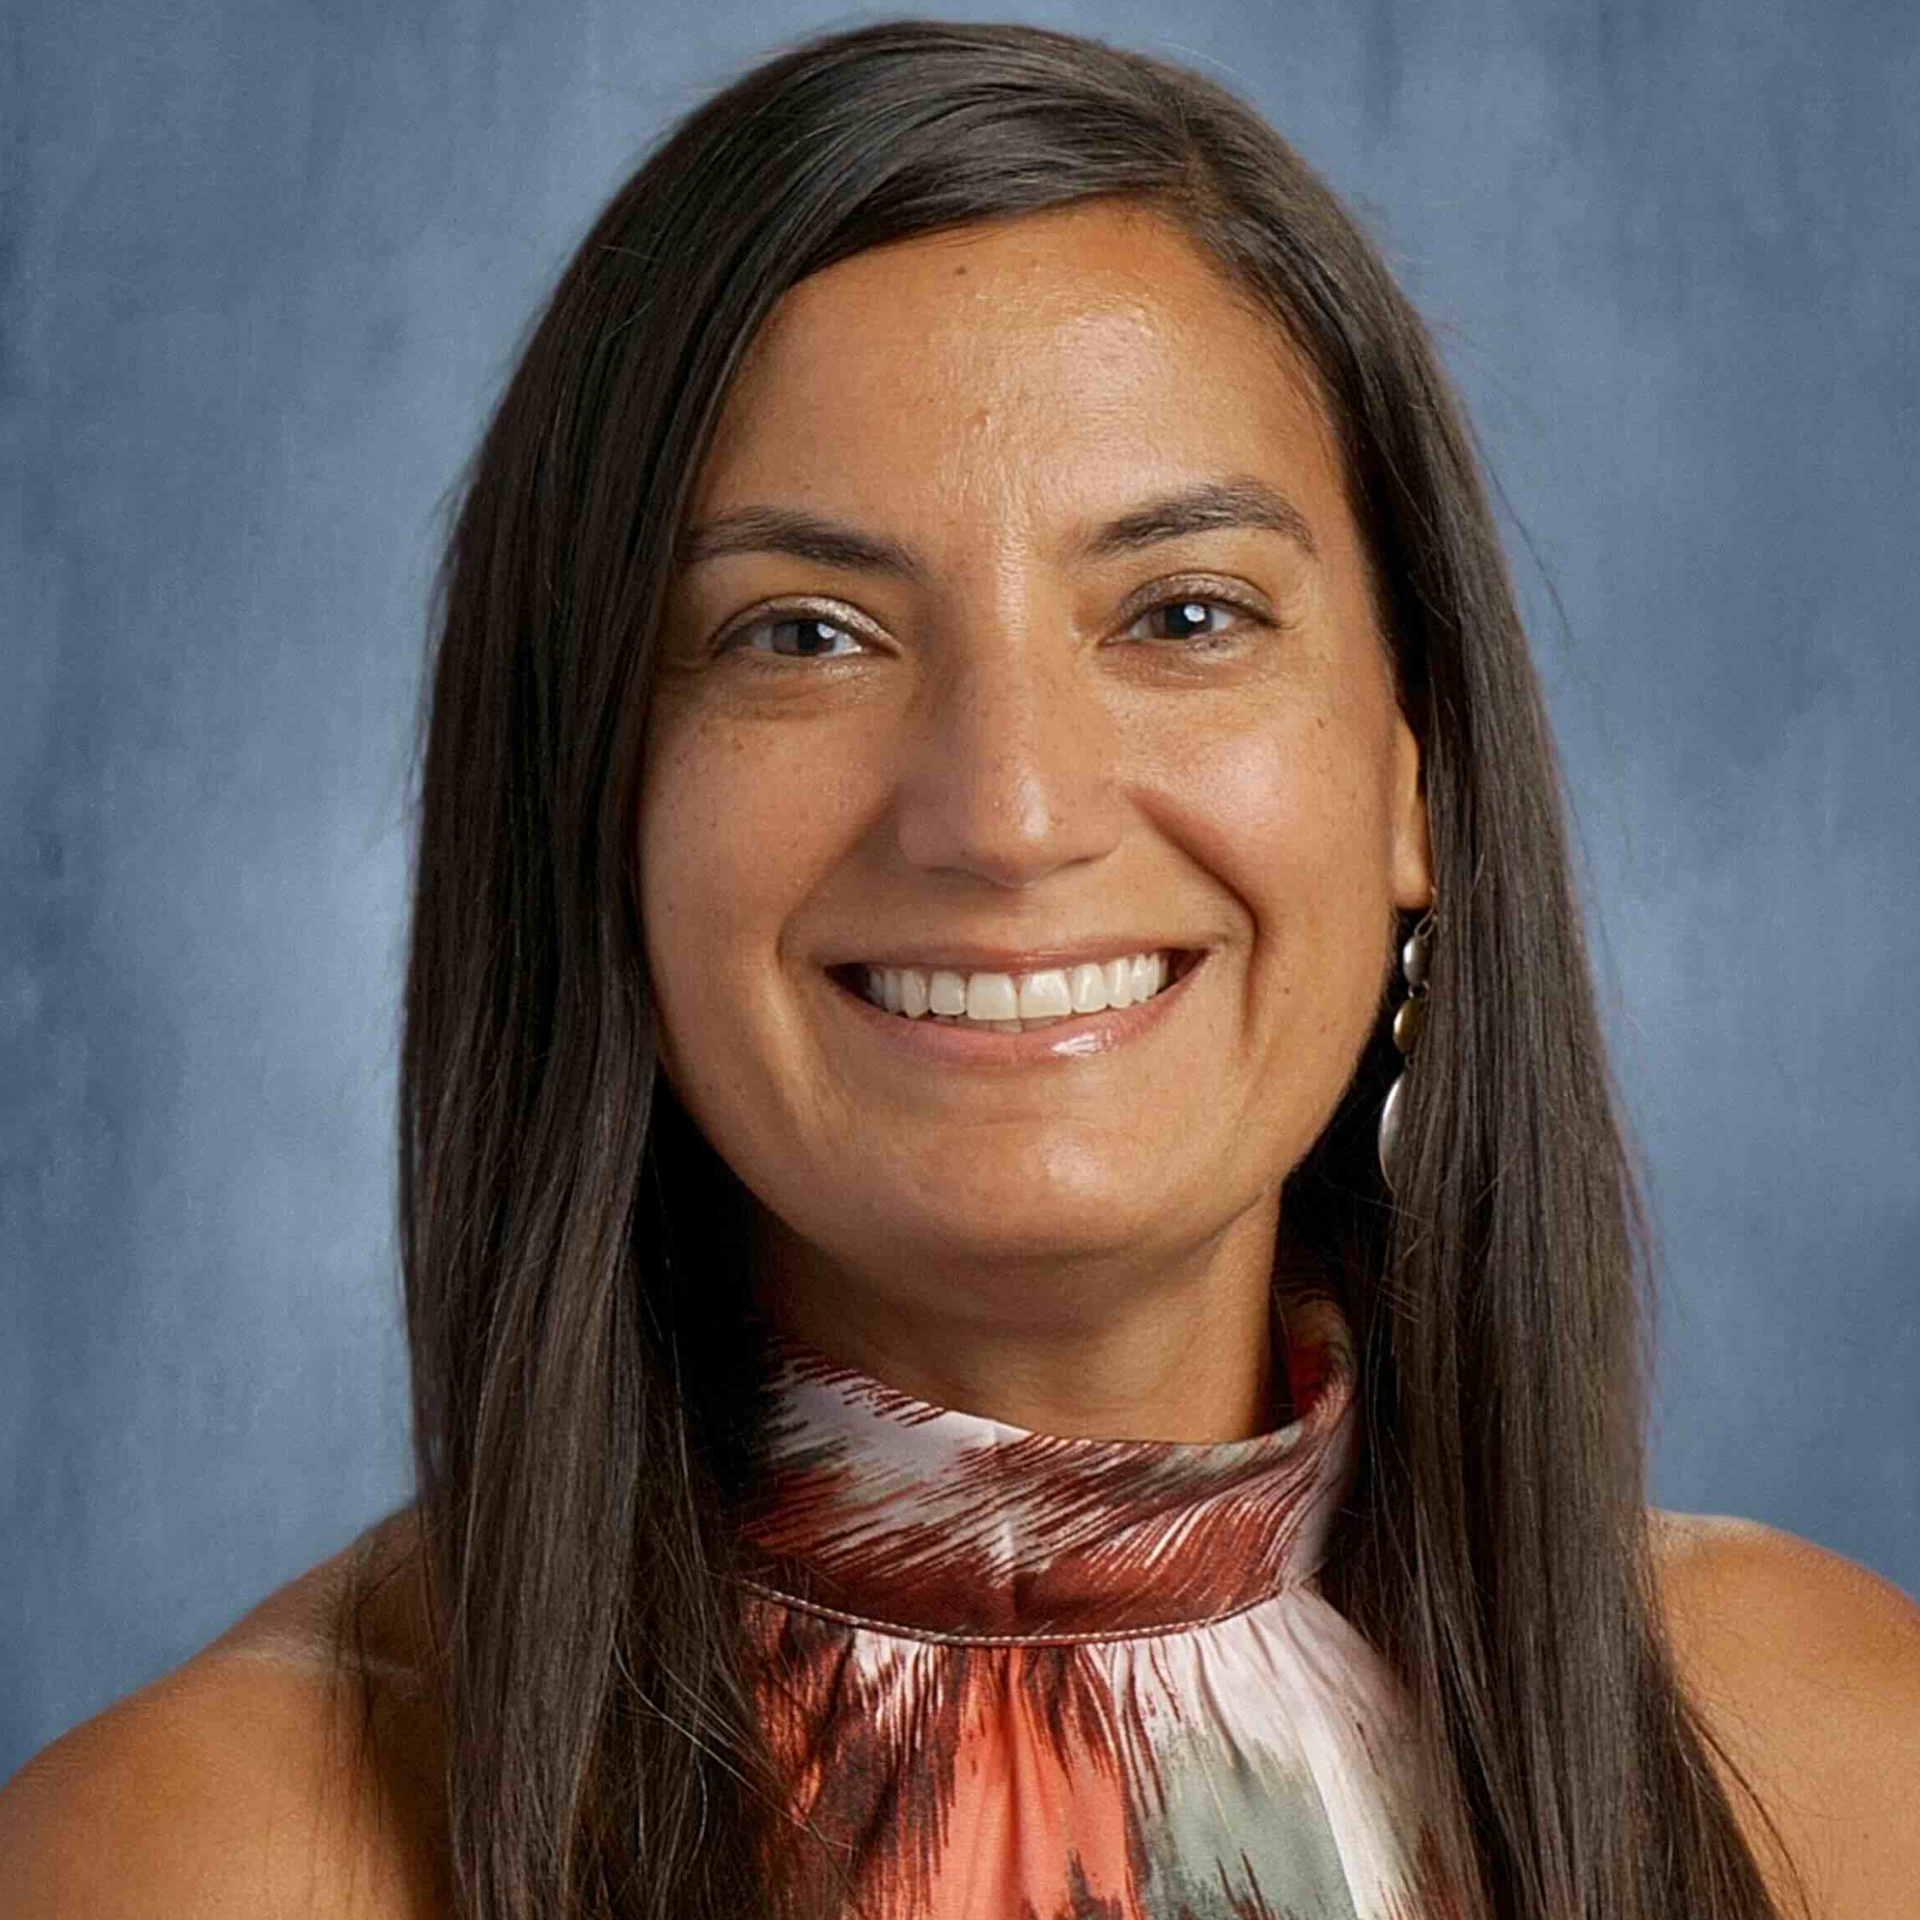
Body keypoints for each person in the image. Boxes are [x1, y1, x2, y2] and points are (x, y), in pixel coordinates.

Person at [4, 18, 1917, 1920]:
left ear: (1417, 777)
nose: (1005, 812)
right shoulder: (209, 1856)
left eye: (1183, 613)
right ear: (591, 800)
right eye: (804, 635)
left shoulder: (1836, 1765)